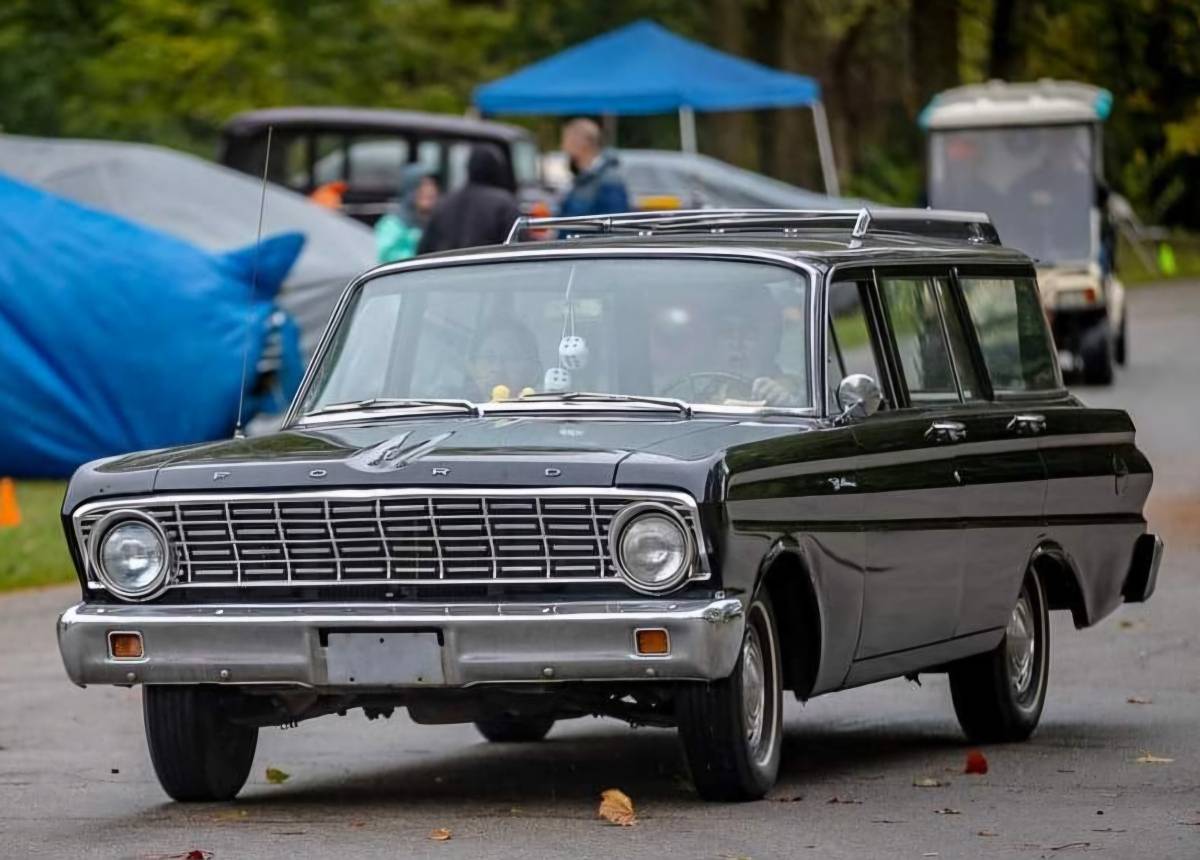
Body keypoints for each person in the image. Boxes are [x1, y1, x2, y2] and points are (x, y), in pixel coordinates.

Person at [417, 144, 520, 254]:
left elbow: (424, 250)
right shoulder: (505, 204)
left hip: (447, 269)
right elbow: (519, 247)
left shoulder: (444, 204)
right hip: (489, 268)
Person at [558, 118, 630, 217]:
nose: (563, 146)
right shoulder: (584, 178)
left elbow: (614, 226)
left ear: (581, 142)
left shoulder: (609, 179)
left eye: (566, 139)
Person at [374, 166, 439, 262]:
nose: (430, 190)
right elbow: (386, 257)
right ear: (410, 189)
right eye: (423, 185)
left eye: (432, 184)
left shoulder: (440, 221)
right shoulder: (392, 224)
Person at [466, 319, 542, 401]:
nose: (497, 368)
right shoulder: (454, 410)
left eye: (510, 358)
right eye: (489, 357)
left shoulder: (548, 412)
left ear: (532, 371)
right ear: (472, 367)